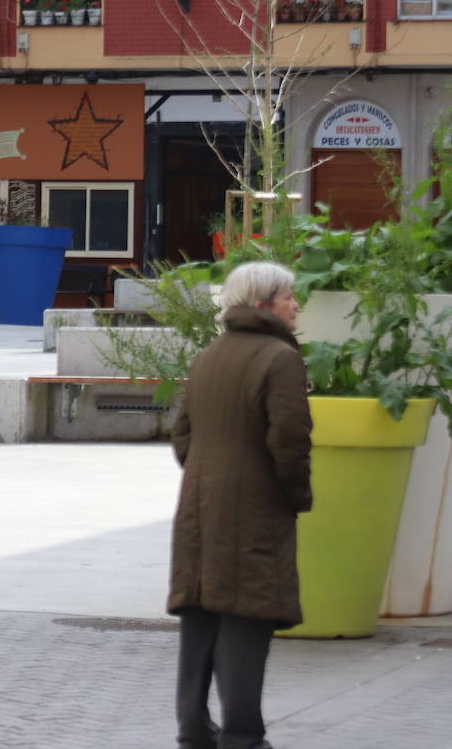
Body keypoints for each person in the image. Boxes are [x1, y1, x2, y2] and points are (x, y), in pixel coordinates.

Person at [169, 261, 313, 749]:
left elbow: (182, 436)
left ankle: (193, 729)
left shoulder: (208, 356)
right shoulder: (279, 357)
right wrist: (296, 494)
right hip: (254, 504)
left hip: (198, 502)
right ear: (262, 304)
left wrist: (208, 474)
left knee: (202, 611)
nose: (297, 305)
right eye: (288, 296)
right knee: (247, 616)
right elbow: (290, 439)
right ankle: (243, 736)